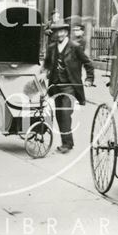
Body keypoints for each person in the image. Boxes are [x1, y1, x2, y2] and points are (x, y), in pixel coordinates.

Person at [42, 22, 94, 154]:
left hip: (70, 85)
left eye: (62, 31)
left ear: (66, 32)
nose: (59, 34)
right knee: (59, 114)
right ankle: (66, 142)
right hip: (55, 85)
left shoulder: (75, 47)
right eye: (57, 32)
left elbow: (88, 63)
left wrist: (89, 79)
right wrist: (44, 73)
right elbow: (47, 63)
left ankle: (67, 144)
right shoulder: (52, 47)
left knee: (65, 113)